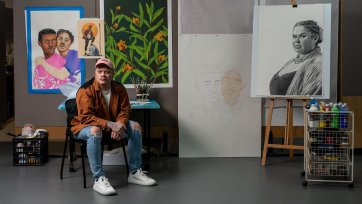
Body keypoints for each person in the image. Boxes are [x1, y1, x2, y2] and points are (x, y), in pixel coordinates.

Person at [70, 58, 157, 196]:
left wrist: (120, 125)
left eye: (107, 72)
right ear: (95, 72)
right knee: (95, 130)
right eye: (100, 71)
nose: (103, 74)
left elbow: (124, 110)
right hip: (83, 127)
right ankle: (98, 179)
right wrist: (111, 125)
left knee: (135, 126)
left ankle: (134, 172)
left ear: (113, 74)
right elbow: (86, 117)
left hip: (112, 125)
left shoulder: (119, 88)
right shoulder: (85, 90)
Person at [269, 20, 323, 96]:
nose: (296, 41)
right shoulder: (291, 62)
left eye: (303, 36)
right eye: (294, 37)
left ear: (315, 38)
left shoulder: (318, 63)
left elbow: (308, 99)